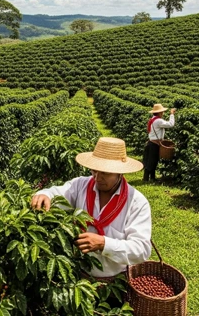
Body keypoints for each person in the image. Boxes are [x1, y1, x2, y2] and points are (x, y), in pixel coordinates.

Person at [31, 137, 152, 279]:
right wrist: (44, 194)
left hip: (116, 280)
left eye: (105, 173)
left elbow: (141, 249)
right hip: (78, 275)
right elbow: (56, 193)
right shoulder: (80, 186)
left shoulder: (136, 202)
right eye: (94, 170)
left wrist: (104, 244)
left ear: (120, 173)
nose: (97, 177)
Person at [142, 104, 176, 182]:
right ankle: (146, 178)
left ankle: (151, 178)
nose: (163, 113)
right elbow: (171, 124)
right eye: (162, 112)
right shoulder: (158, 121)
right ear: (160, 112)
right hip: (154, 144)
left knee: (152, 160)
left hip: (151, 142)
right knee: (152, 161)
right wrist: (172, 114)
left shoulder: (152, 119)